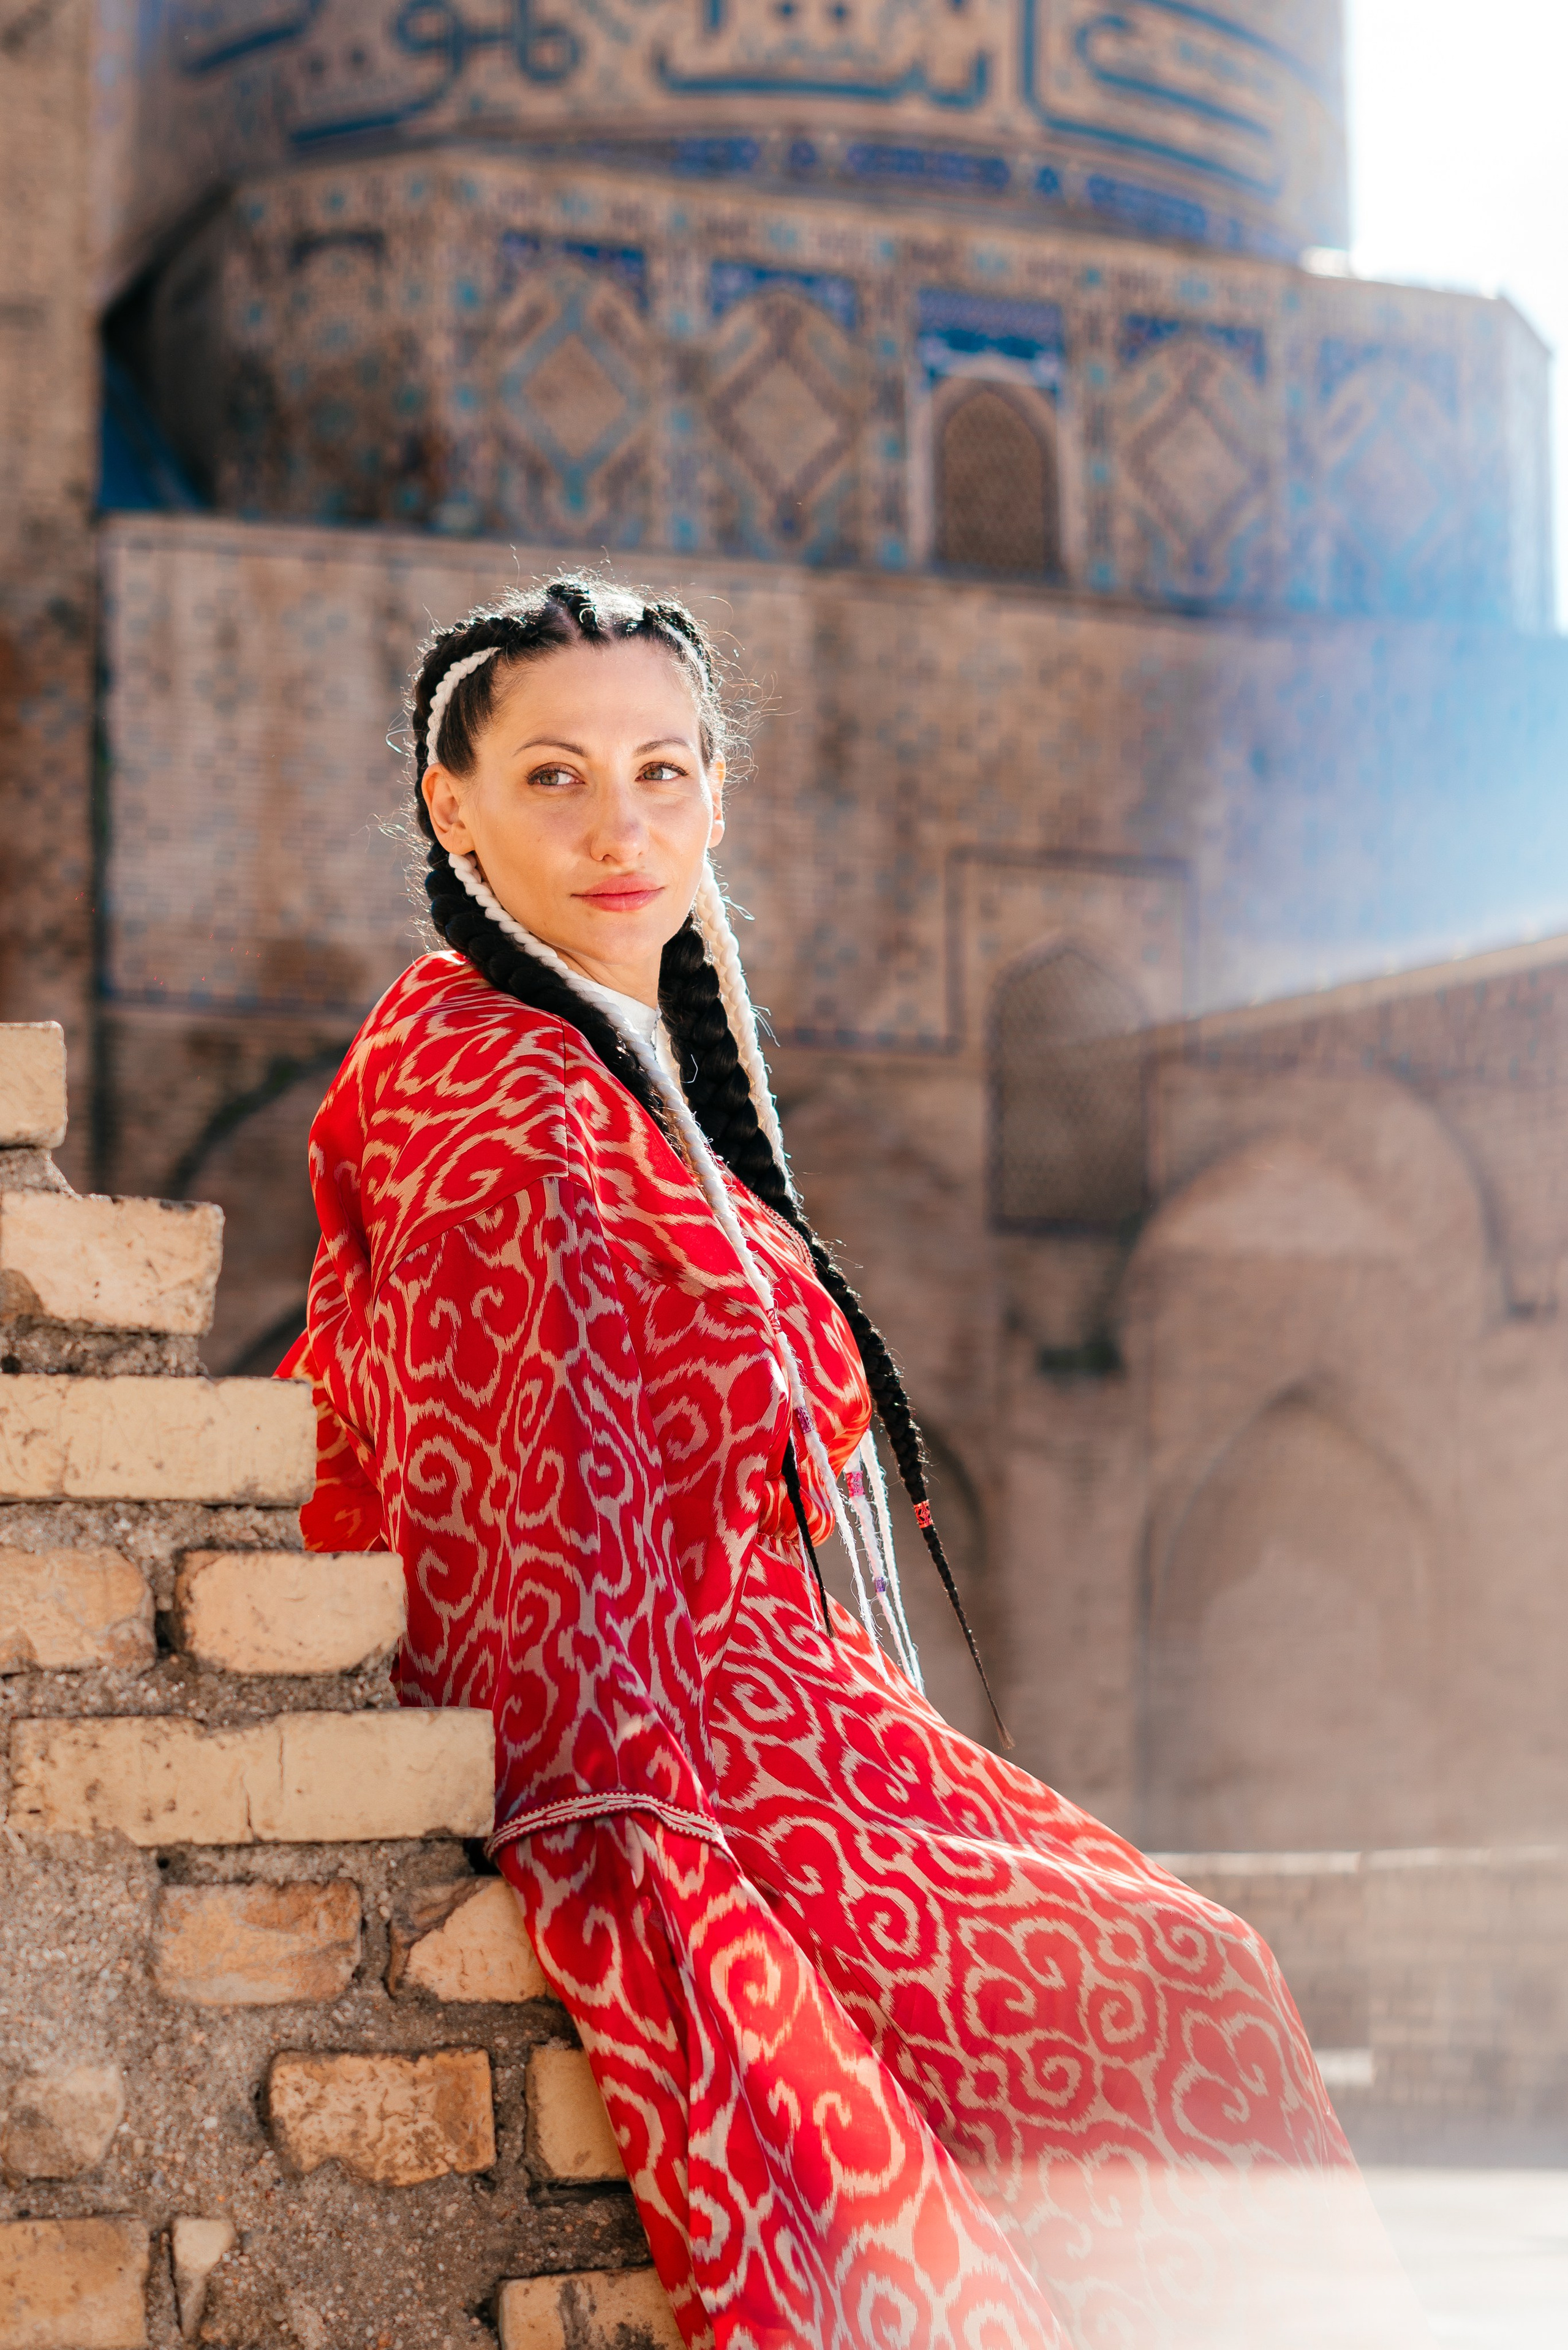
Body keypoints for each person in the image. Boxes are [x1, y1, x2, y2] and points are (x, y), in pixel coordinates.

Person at [284, 576, 1431, 2349]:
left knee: (1191, 1975)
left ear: (719, 794)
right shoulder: (487, 1085)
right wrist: (631, 1873)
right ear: (454, 805)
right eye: (555, 778)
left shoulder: (613, 1065)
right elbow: (500, 1544)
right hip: (658, 1750)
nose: (621, 828)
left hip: (785, 1714)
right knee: (1176, 1987)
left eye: (663, 774)